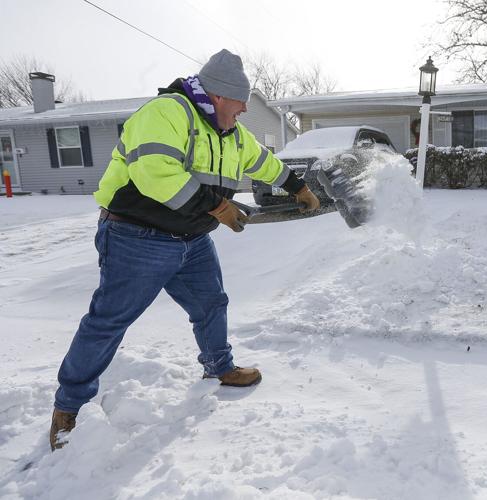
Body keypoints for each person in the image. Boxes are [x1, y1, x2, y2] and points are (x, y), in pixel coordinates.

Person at [49, 49, 319, 451]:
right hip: (136, 237)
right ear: (218, 96)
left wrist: (297, 186)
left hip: (191, 239)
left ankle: (219, 367)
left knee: (212, 303)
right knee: (108, 321)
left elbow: (261, 161)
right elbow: (156, 173)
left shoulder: (229, 133)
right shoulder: (166, 113)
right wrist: (217, 206)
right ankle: (67, 408)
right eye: (240, 101)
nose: (245, 108)